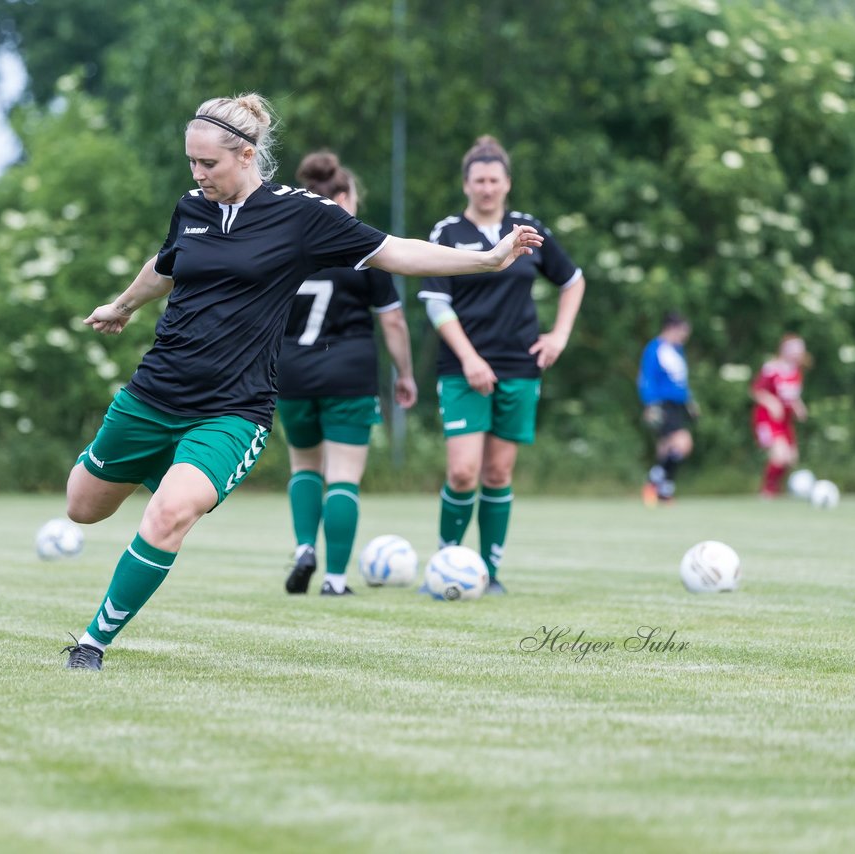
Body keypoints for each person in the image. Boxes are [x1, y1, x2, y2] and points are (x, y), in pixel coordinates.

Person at [63, 96, 544, 669]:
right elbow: (166, 265)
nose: (196, 174)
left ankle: (93, 642)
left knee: (168, 516)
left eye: (207, 164)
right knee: (82, 508)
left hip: (232, 409)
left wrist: (488, 261)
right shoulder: (192, 207)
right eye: (190, 162)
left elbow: (397, 252)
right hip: (153, 393)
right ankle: (163, 471)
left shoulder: (301, 215)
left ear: (246, 156)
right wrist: (122, 306)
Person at [417, 135, 584, 596]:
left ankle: (490, 572)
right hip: (462, 369)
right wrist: (470, 358)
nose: (487, 188)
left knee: (497, 474)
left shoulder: (527, 229)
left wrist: (559, 336)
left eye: (494, 180)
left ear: (507, 183)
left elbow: (573, 280)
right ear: (466, 184)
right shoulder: (447, 232)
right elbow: (434, 301)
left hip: (519, 366)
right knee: (463, 472)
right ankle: (445, 562)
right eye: (479, 180)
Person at [278, 151, 418, 597]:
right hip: (348, 374)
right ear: (341, 197)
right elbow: (393, 321)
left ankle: (304, 548)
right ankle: (335, 580)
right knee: (342, 476)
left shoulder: (285, 243)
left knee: (304, 465)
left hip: (291, 373)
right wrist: (405, 373)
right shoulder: (363, 247)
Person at [637, 311, 696, 505]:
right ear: (671, 328)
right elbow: (647, 378)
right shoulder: (655, 349)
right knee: (683, 443)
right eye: (683, 331)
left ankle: (662, 490)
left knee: (666, 449)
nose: (685, 336)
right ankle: (654, 481)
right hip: (662, 404)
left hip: (678, 404)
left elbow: (680, 380)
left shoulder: (677, 350)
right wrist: (650, 404)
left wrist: (690, 401)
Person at [751, 333, 808, 498]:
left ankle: (775, 489)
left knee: (791, 458)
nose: (798, 352)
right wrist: (772, 402)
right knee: (780, 454)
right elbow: (757, 390)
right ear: (784, 350)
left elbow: (792, 396)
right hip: (767, 419)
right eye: (794, 348)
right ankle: (767, 490)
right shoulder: (772, 368)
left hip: (785, 422)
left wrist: (799, 407)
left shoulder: (796, 372)